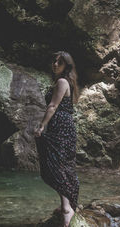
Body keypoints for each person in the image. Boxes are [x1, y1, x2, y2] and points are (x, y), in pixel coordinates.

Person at [34, 51, 80, 227]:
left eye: (59, 63)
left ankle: (67, 208)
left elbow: (53, 106)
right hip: (65, 126)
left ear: (66, 66)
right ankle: (66, 205)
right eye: (54, 61)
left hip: (59, 126)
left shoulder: (62, 82)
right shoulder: (68, 82)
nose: (54, 64)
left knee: (55, 165)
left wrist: (42, 125)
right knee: (61, 165)